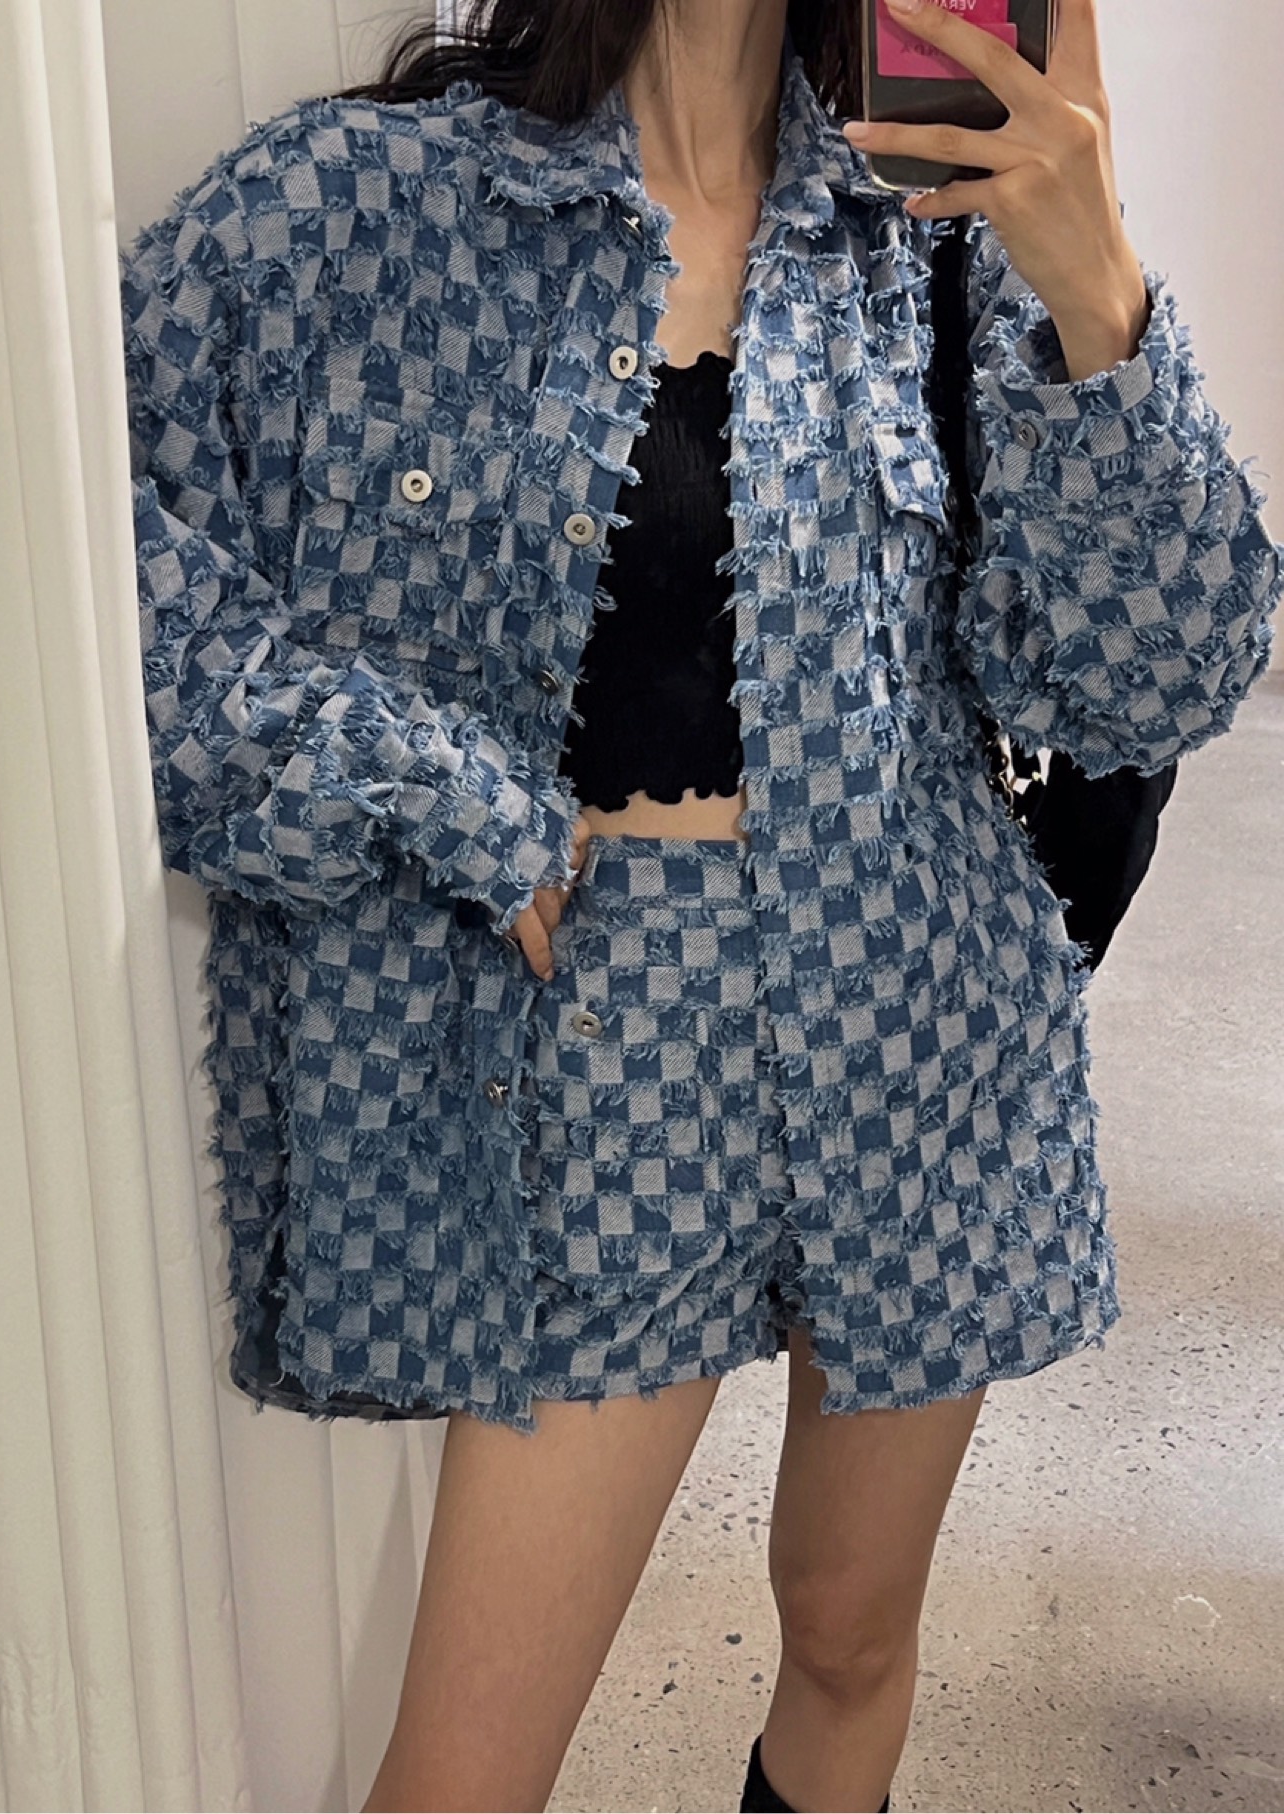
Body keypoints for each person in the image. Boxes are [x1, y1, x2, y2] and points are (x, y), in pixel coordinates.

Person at [120, 0, 1280, 1808]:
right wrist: (431, 794)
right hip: (603, 1052)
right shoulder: (359, 206)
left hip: (924, 1019)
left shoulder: (937, 234)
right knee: (461, 1777)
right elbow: (86, 568)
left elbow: (1163, 674)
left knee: (848, 1634)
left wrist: (1095, 281)